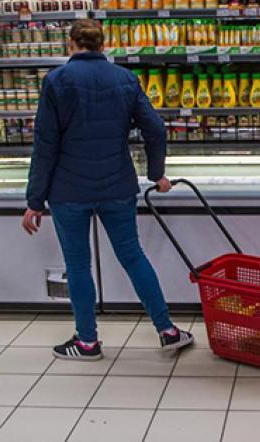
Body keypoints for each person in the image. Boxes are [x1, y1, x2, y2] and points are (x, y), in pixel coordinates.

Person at [23, 19, 193, 360]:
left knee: (78, 265)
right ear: (103, 45)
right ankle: (168, 330)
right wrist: (156, 174)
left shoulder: (56, 81)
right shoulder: (125, 79)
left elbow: (45, 143)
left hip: (68, 190)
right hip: (117, 185)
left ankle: (87, 342)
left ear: (71, 45)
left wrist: (35, 200)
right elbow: (155, 130)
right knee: (133, 256)